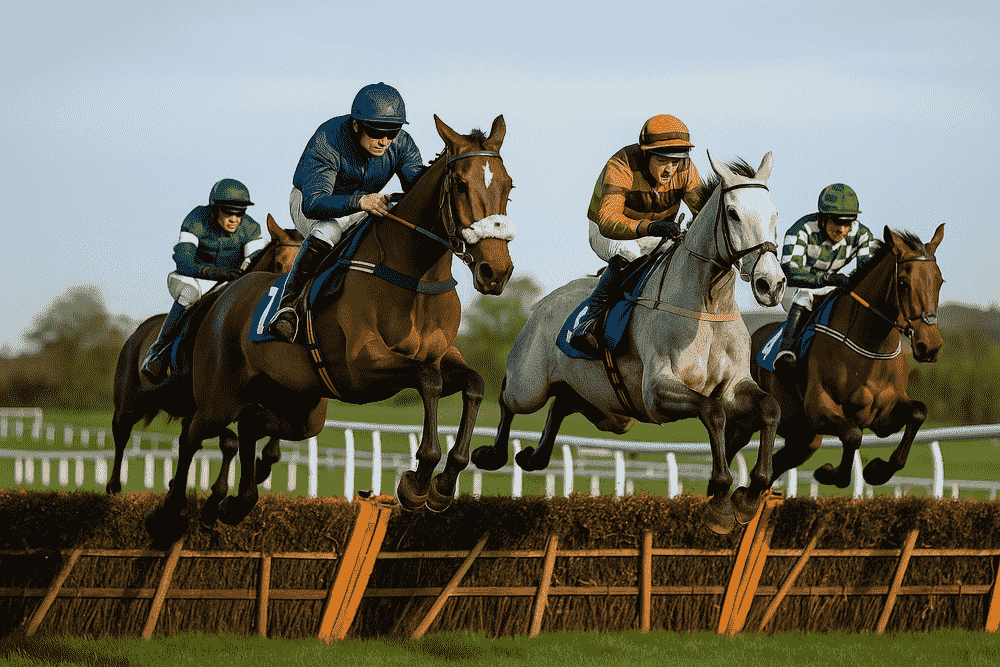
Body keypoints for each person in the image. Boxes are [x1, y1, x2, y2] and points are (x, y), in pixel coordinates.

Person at [267, 82, 426, 342]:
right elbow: (315, 203)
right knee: (329, 229)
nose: (385, 140)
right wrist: (360, 201)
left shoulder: (402, 145)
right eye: (376, 131)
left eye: (393, 131)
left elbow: (417, 195)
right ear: (356, 125)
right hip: (311, 201)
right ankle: (288, 307)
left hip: (364, 202)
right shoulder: (328, 139)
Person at [568, 114, 703, 357]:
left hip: (655, 235)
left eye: (676, 161)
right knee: (629, 252)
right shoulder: (621, 165)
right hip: (609, 233)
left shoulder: (686, 168)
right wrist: (651, 227)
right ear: (646, 154)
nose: (670, 168)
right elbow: (608, 221)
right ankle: (588, 322)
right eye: (663, 160)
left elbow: (703, 213)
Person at [139, 179, 263, 383]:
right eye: (228, 213)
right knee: (188, 295)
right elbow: (184, 262)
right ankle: (158, 352)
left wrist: (249, 262)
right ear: (214, 210)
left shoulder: (251, 228)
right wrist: (215, 272)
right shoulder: (197, 219)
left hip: (227, 281)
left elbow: (256, 256)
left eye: (239, 213)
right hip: (192, 278)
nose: (234, 219)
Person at [772, 183, 877, 381]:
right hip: (792, 288)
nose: (843, 229)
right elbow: (790, 270)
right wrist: (826, 278)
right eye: (837, 222)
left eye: (849, 222)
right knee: (806, 294)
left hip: (829, 285)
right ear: (822, 217)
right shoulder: (801, 230)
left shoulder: (862, 234)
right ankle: (786, 349)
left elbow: (867, 273)